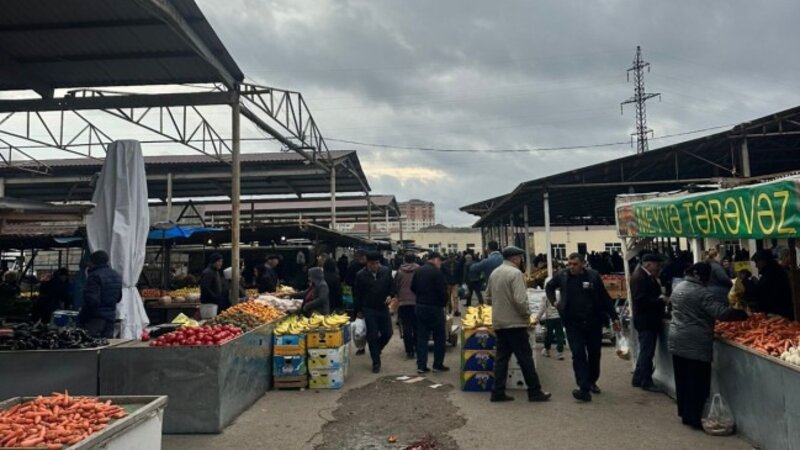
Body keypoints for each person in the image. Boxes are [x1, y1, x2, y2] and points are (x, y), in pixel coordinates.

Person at [669, 262, 747, 429]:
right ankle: (697, 417)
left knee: (682, 379)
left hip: (677, 339)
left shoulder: (679, 286)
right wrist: (741, 314)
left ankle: (685, 414)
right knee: (698, 382)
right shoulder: (701, 293)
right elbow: (720, 313)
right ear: (701, 276)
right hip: (695, 342)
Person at [546, 252, 620, 402]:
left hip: (593, 322)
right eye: (569, 264)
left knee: (594, 354)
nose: (571, 267)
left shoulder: (593, 276)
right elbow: (549, 287)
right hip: (573, 323)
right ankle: (583, 388)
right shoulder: (563, 275)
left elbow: (604, 297)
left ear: (582, 264)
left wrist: (614, 316)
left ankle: (592, 380)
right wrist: (554, 302)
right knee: (578, 354)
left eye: (575, 264)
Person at [487, 246, 552, 403]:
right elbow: (520, 300)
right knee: (525, 358)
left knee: (501, 358)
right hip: (515, 323)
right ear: (515, 258)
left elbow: (488, 297)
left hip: (499, 322)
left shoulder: (494, 273)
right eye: (520, 258)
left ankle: (497, 391)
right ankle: (534, 391)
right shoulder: (516, 274)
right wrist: (526, 316)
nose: (522, 261)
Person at [353, 252, 395, 373]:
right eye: (373, 264)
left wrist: (390, 295)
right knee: (372, 335)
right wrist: (359, 311)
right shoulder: (360, 275)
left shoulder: (386, 271)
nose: (375, 266)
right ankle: (376, 362)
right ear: (367, 263)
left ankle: (377, 349)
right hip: (369, 309)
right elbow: (357, 295)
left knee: (388, 333)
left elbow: (392, 286)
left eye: (377, 263)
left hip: (383, 307)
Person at [630, 254, 666, 392]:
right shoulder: (640, 278)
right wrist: (660, 300)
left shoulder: (645, 276)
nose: (659, 267)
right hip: (646, 320)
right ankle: (646, 380)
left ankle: (638, 377)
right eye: (657, 264)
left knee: (645, 350)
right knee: (647, 351)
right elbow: (641, 301)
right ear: (648, 264)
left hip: (646, 319)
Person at [411, 252, 449, 374]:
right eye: (440, 261)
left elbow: (412, 287)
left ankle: (421, 366)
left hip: (420, 307)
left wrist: (421, 297)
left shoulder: (419, 271)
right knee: (439, 337)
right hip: (435, 308)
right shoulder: (437, 273)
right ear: (435, 259)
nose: (441, 263)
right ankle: (437, 365)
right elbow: (443, 291)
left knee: (422, 337)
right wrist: (444, 303)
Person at [78, 251, 122, 338]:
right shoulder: (116, 275)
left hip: (95, 318)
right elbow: (118, 298)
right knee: (107, 346)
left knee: (89, 344)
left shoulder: (94, 276)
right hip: (110, 317)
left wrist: (82, 316)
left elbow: (92, 301)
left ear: (93, 262)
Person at [742, 249, 794, 320]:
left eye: (757, 262)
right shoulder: (774, 270)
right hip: (779, 311)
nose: (756, 266)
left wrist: (745, 280)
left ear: (763, 261)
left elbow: (759, 292)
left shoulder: (772, 273)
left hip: (778, 314)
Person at [394, 253, 420, 360]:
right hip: (417, 301)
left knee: (406, 327)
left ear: (404, 259)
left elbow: (395, 286)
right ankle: (418, 347)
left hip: (403, 302)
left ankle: (409, 351)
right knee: (417, 326)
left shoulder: (399, 272)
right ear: (414, 259)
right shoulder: (419, 270)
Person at [536, 291, 565, 360]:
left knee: (549, 335)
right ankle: (560, 353)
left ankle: (547, 350)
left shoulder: (545, 295)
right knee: (560, 335)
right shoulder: (560, 294)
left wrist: (538, 318)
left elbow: (542, 308)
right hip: (559, 317)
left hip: (549, 318)